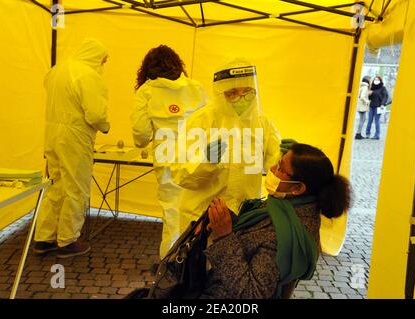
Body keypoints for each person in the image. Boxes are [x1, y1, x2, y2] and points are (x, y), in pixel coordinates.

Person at [199, 142, 352, 299]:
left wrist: (225, 237)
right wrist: (228, 221)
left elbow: (252, 293)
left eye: (280, 168)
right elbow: (256, 237)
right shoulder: (288, 206)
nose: (272, 169)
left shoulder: (284, 235)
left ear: (298, 188)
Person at [171, 58, 282, 250]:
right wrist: (206, 162)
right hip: (201, 220)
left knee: (235, 271)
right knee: (200, 273)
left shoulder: (262, 123)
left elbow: (276, 166)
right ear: (220, 94)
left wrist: (290, 158)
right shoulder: (201, 122)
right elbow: (180, 175)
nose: (241, 98)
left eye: (247, 91)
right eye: (232, 93)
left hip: (244, 219)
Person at [34, 38, 111, 258]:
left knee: (55, 186)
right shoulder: (88, 75)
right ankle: (68, 241)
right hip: (75, 136)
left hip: (52, 133)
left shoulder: (56, 71)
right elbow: (96, 114)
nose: (103, 65)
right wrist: (105, 126)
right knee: (76, 188)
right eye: (103, 60)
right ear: (95, 56)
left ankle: (43, 238)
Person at [131, 45, 207, 258]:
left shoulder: (146, 91)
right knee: (197, 209)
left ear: (147, 68)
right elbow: (211, 124)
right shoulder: (196, 88)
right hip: (196, 156)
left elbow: (140, 135)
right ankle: (196, 260)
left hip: (166, 158)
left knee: (172, 212)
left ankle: (172, 263)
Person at [366, 76, 388, 140]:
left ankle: (377, 135)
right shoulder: (372, 88)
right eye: (375, 79)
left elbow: (385, 96)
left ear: (380, 81)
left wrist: (382, 104)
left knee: (377, 121)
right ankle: (367, 134)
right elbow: (369, 98)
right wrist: (369, 95)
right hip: (371, 106)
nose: (376, 80)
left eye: (377, 80)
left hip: (378, 107)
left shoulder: (382, 88)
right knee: (369, 121)